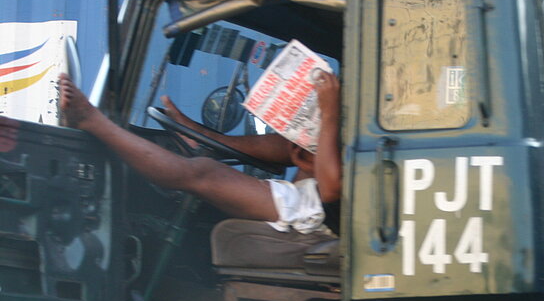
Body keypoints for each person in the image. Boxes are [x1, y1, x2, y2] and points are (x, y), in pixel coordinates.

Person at [57, 71, 342, 234]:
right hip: (320, 196)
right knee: (296, 141)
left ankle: (90, 120)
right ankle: (204, 137)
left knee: (203, 173)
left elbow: (330, 192)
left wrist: (329, 110)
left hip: (327, 212)